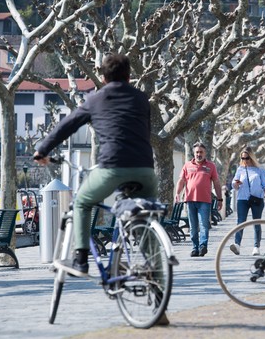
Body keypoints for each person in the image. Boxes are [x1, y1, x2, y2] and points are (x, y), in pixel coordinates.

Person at [34, 54, 158, 278]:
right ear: (129, 76)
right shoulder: (141, 98)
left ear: (103, 77)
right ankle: (158, 282)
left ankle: (81, 260)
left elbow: (67, 125)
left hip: (112, 166)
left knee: (82, 202)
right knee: (145, 216)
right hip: (145, 169)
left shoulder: (95, 99)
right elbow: (145, 132)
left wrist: (42, 150)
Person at [175, 142, 223, 257]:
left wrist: (220, 199)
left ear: (205, 153)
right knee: (193, 226)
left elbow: (216, 183)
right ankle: (195, 247)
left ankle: (203, 246)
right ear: (194, 153)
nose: (199, 154)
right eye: (197, 152)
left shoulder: (211, 166)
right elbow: (181, 181)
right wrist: (177, 193)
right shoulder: (187, 165)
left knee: (204, 224)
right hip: (190, 200)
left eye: (201, 152)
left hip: (205, 201)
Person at [230, 147, 265, 256]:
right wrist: (236, 184)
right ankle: (237, 244)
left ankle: (256, 247)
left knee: (256, 222)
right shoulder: (240, 169)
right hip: (242, 198)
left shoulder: (260, 170)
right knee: (240, 222)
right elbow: (234, 185)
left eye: (247, 158)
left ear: (251, 157)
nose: (245, 160)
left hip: (256, 198)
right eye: (242, 158)